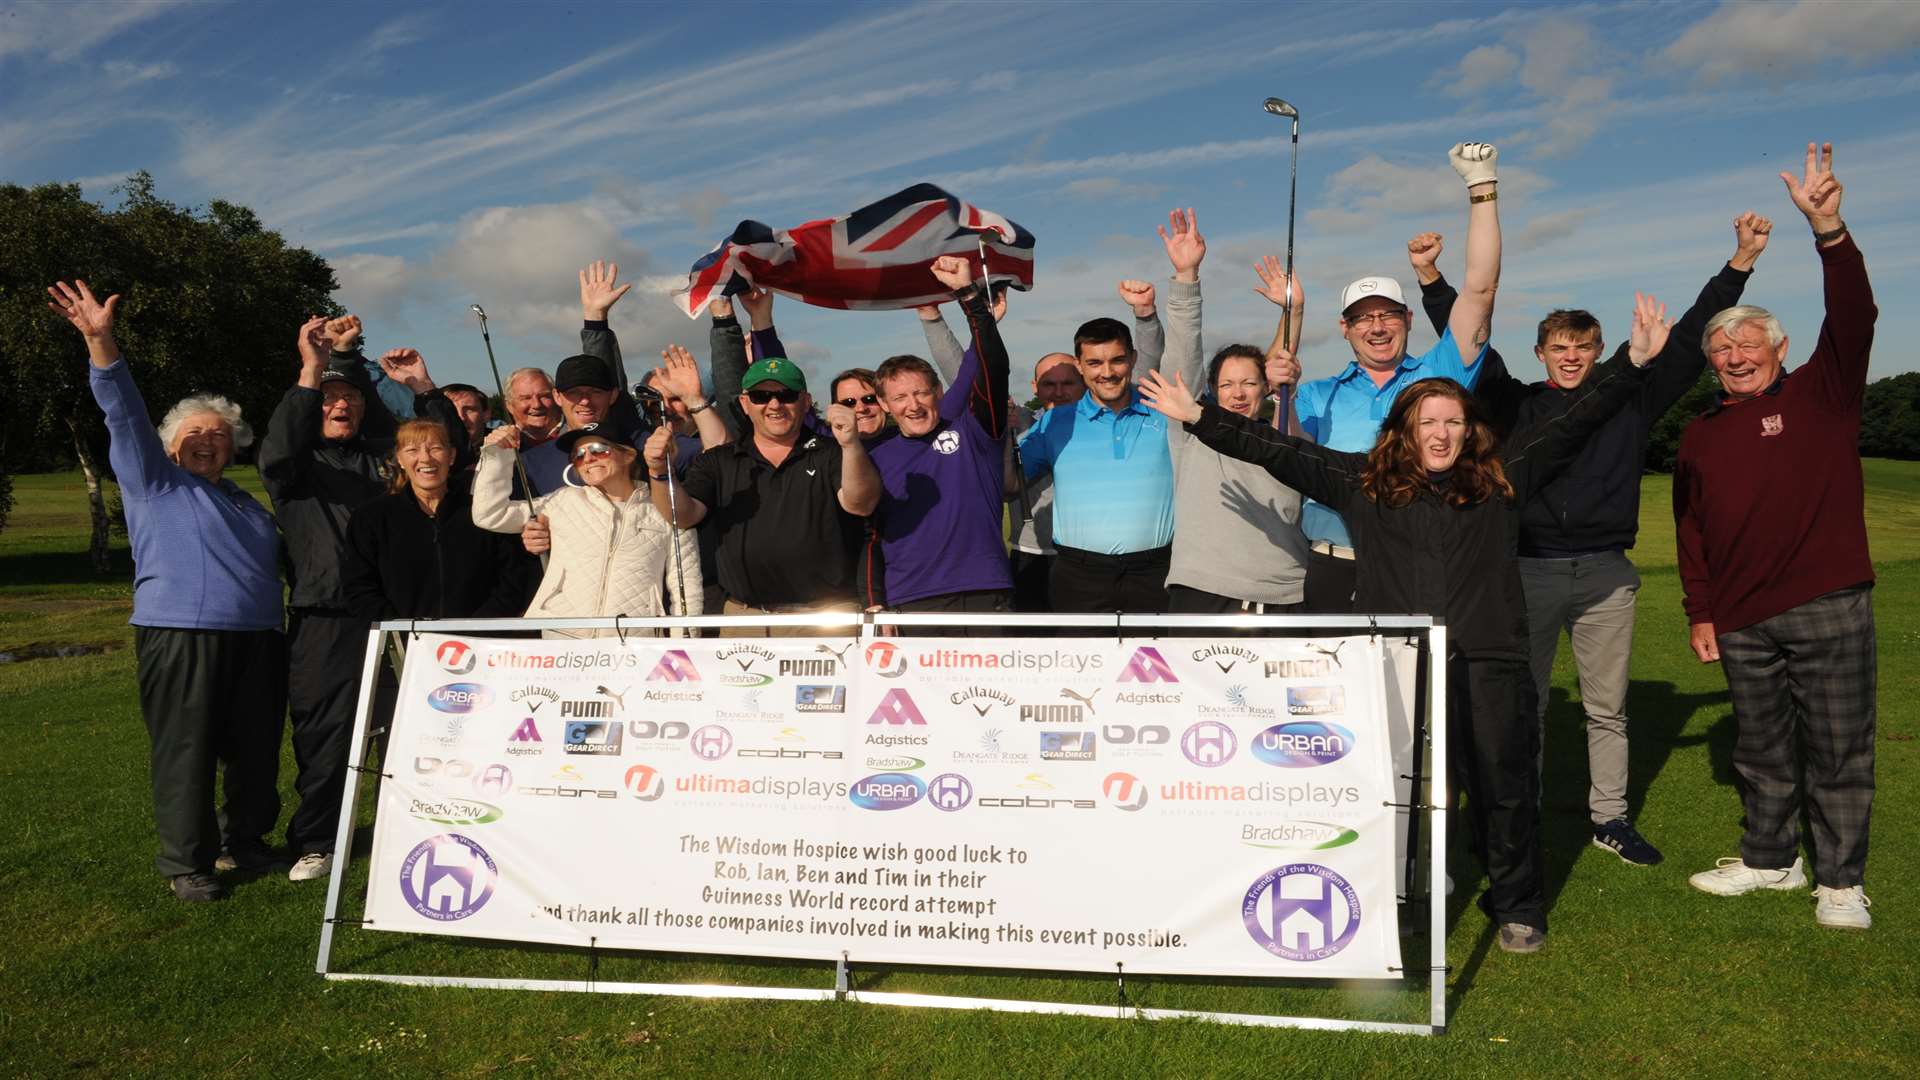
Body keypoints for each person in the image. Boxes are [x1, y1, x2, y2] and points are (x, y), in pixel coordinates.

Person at [1138, 291, 1676, 954]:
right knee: (1409, 793)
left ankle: (1518, 903)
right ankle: (1405, 897)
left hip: (1489, 661)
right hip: (1399, 663)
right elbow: (1276, 450)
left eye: (1453, 421)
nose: (1442, 434)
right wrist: (1198, 417)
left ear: (1470, 429)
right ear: (1406, 430)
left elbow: (1578, 420)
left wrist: (1632, 362)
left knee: (1503, 786)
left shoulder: (1504, 476)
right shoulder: (1364, 482)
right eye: (1429, 423)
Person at [1409, 214, 1771, 867]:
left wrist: (1740, 260)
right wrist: (1432, 279)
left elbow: (1689, 339)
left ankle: (1610, 819)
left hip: (1607, 574)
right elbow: (1467, 340)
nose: (1571, 357)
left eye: (1583, 347)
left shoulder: (1630, 396)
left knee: (1608, 710)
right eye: (1559, 347)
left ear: (1599, 352)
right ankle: (1527, 815)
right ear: (1541, 354)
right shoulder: (1514, 403)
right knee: (1527, 706)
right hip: (1528, 572)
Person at [1674, 144, 1878, 930]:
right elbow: (1692, 529)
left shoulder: (1825, 393)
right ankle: (1770, 861)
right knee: (1759, 751)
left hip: (1828, 602)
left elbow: (1855, 315)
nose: (1733, 355)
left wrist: (1829, 229)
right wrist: (1702, 610)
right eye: (1721, 350)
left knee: (1838, 750)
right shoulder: (1697, 435)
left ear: (1779, 348)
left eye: (1748, 342)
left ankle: (1839, 880)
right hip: (1742, 618)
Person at [52, 278, 286, 903]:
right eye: (195, 433)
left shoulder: (242, 500)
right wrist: (103, 345)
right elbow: (122, 414)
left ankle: (249, 841)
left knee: (256, 750)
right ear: (169, 444)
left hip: (258, 639)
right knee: (188, 752)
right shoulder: (154, 482)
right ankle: (188, 861)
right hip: (183, 636)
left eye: (219, 435)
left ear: (234, 446)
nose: (207, 441)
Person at [1294, 141, 1503, 612]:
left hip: (1420, 564)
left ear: (1409, 318)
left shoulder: (1440, 373)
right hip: (1332, 565)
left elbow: (1481, 289)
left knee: (1420, 686)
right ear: (1345, 329)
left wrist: (1481, 187)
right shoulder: (1313, 395)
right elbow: (1293, 458)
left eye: (1387, 314)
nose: (1377, 326)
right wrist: (1281, 387)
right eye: (1362, 318)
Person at [256, 316, 391, 884]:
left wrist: (350, 353)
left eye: (351, 400)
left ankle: (409, 825)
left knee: (413, 727)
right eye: (329, 399)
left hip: (395, 618)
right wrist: (313, 367)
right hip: (324, 621)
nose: (341, 408)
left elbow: (407, 437)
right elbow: (280, 442)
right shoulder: (294, 468)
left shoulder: (379, 461)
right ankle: (316, 839)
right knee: (324, 736)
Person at [1151, 209, 1311, 614]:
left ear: (1267, 389)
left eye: (1249, 383)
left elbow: (1280, 368)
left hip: (1282, 594)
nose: (1238, 393)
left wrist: (1293, 312)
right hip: (1200, 591)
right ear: (1210, 391)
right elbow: (1183, 358)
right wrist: (1187, 277)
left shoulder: (1289, 434)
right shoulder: (1191, 431)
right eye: (1226, 384)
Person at [648, 356, 880, 635]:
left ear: (805, 402)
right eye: (761, 396)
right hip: (745, 618)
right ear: (746, 404)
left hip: (826, 620)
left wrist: (851, 445)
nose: (774, 405)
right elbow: (682, 516)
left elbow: (861, 504)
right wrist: (660, 471)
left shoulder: (834, 452)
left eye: (786, 395)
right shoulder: (719, 460)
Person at [868, 255, 1013, 626]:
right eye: (899, 398)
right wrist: (874, 601)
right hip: (912, 600)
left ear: (938, 392)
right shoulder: (873, 456)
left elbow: (988, 367)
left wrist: (969, 297)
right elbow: (868, 539)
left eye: (921, 393)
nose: (913, 406)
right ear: (884, 405)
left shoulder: (974, 431)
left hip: (985, 591)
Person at [475, 420, 702, 637]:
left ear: (629, 455)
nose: (589, 458)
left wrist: (681, 649)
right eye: (579, 456)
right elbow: (490, 515)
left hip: (634, 644)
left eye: (598, 449)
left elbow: (687, 590)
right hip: (563, 639)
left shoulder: (666, 507)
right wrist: (498, 454)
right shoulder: (561, 500)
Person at [342, 419, 537, 622]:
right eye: (412, 450)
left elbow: (513, 579)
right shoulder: (371, 517)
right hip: (404, 645)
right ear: (399, 458)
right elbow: (359, 588)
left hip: (480, 643)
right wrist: (402, 632)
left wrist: (475, 630)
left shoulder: (485, 511)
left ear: (451, 456)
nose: (425, 458)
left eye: (435, 448)